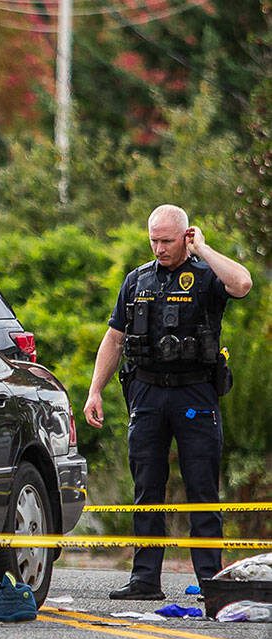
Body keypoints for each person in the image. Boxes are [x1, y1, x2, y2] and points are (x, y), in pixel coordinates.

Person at [83, 204, 253, 600]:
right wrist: (94, 390)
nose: (159, 248)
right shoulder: (137, 280)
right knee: (146, 487)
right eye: (153, 240)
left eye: (167, 240)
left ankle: (212, 583)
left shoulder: (208, 276)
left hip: (195, 391)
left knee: (201, 488)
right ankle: (145, 579)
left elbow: (243, 283)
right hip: (147, 393)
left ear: (186, 236)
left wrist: (203, 249)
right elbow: (115, 338)